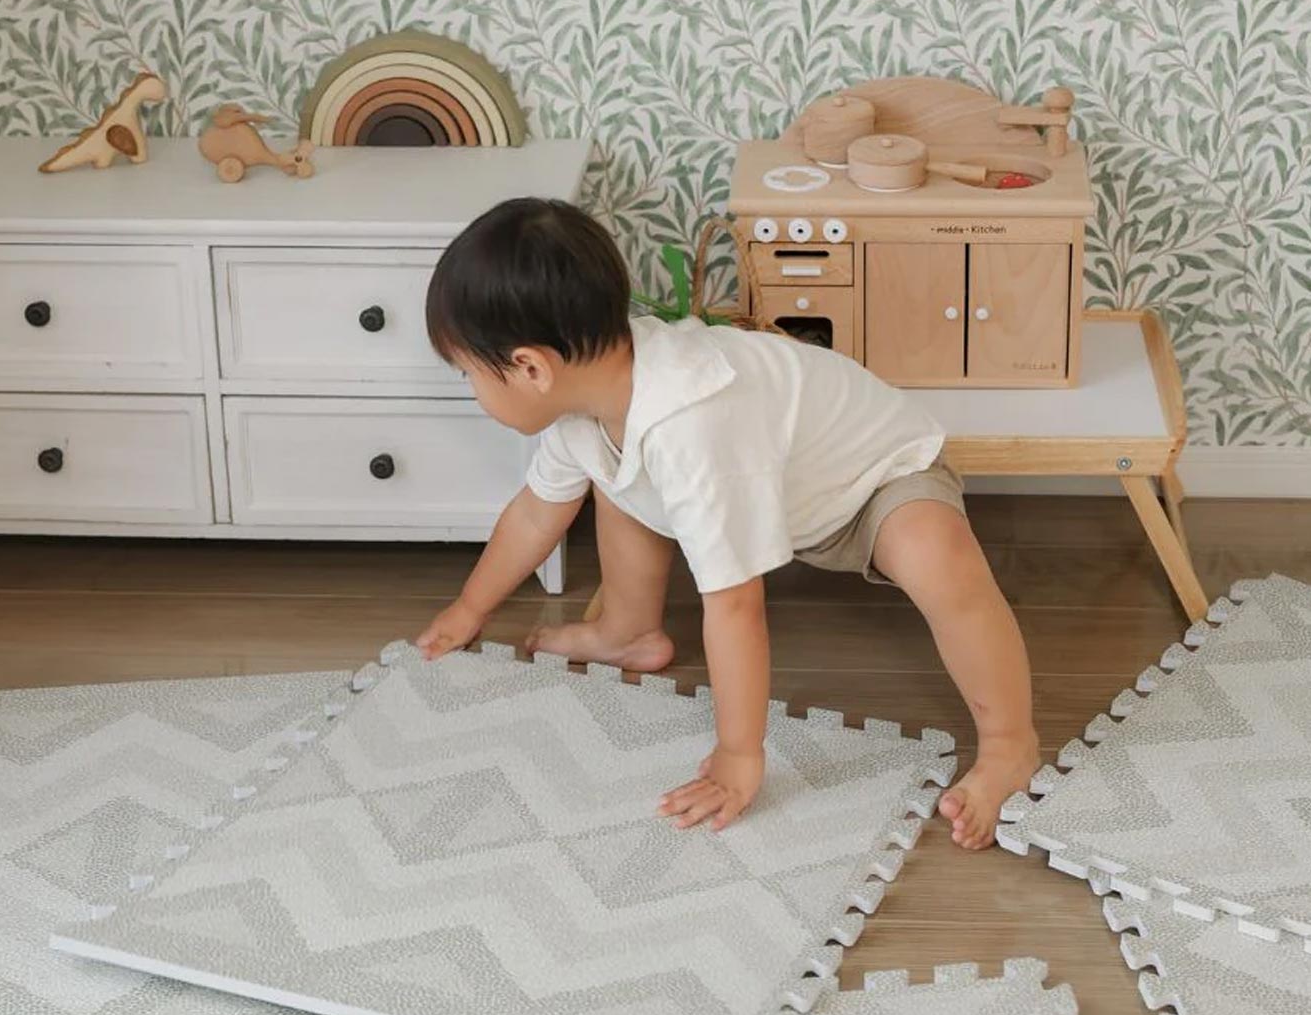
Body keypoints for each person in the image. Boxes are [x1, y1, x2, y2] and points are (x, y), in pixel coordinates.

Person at [415, 198, 1039, 849]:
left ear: (531, 368)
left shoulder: (692, 423)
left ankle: (1009, 743)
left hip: (874, 482)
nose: (472, 392)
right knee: (617, 475)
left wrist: (740, 752)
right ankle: (627, 630)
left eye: (468, 376)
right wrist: (469, 609)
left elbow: (737, 604)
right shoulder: (588, 408)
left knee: (936, 555)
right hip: (778, 495)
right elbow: (535, 511)